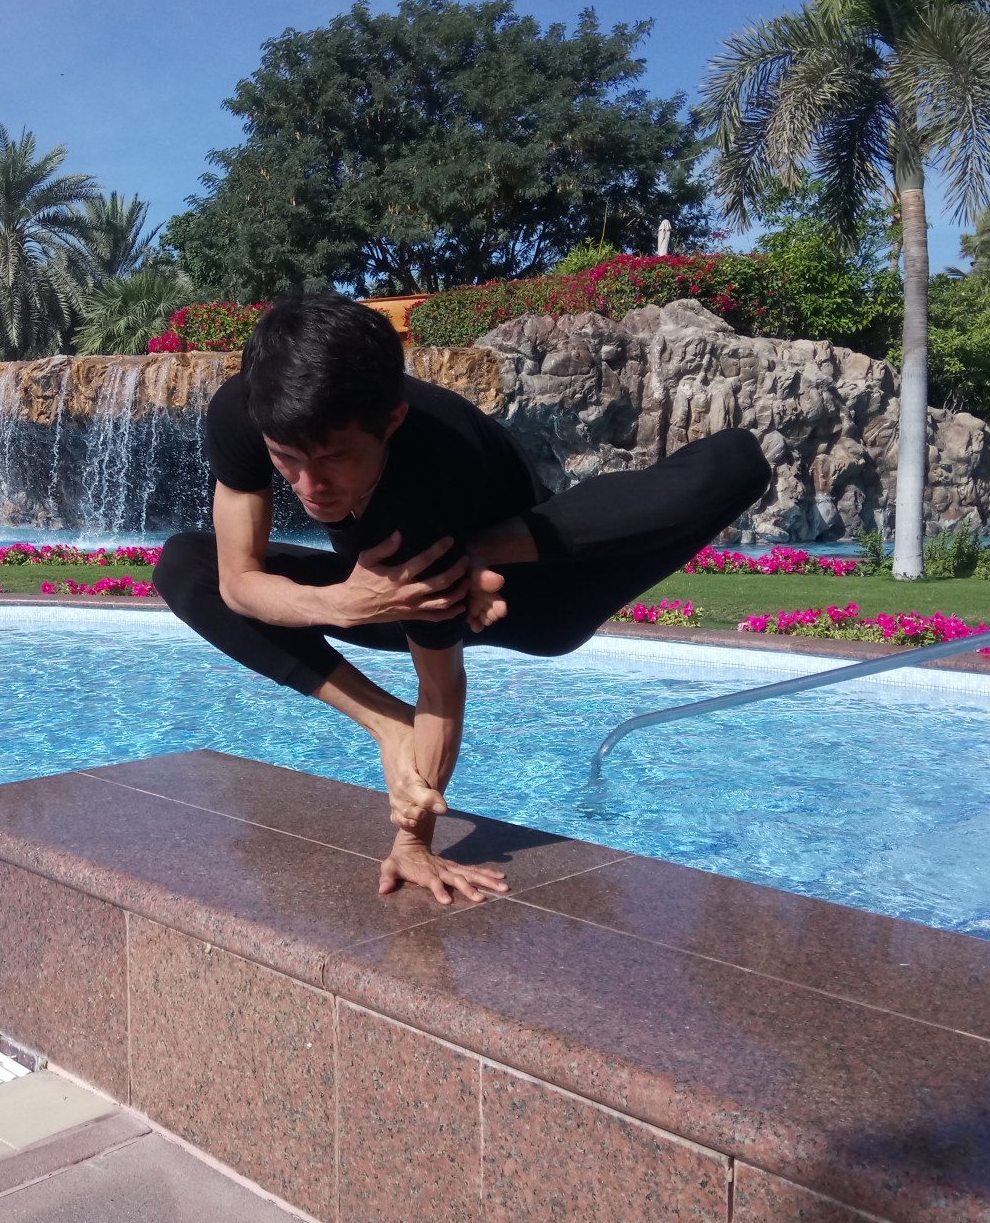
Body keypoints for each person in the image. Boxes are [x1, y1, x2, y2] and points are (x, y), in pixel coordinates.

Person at [154, 293, 772, 905]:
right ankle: (387, 721)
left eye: (335, 459)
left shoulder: (426, 480)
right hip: (383, 592)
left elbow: (442, 689)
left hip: (539, 600)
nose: (310, 487)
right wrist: (348, 605)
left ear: (390, 422)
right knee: (184, 565)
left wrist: (413, 843)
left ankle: (489, 546)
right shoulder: (245, 412)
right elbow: (238, 582)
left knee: (737, 460)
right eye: (287, 460)